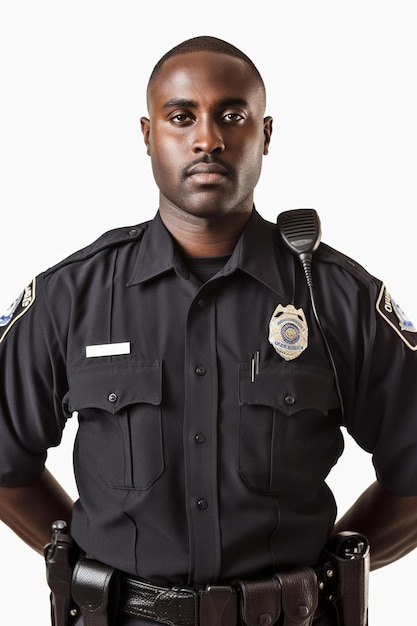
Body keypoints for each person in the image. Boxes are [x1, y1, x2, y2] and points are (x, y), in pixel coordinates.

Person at [0, 35, 417, 626]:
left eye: (232, 115)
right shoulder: (72, 297)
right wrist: (85, 566)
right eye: (181, 117)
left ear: (264, 135)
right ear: (148, 136)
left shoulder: (338, 298)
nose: (207, 139)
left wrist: (335, 569)